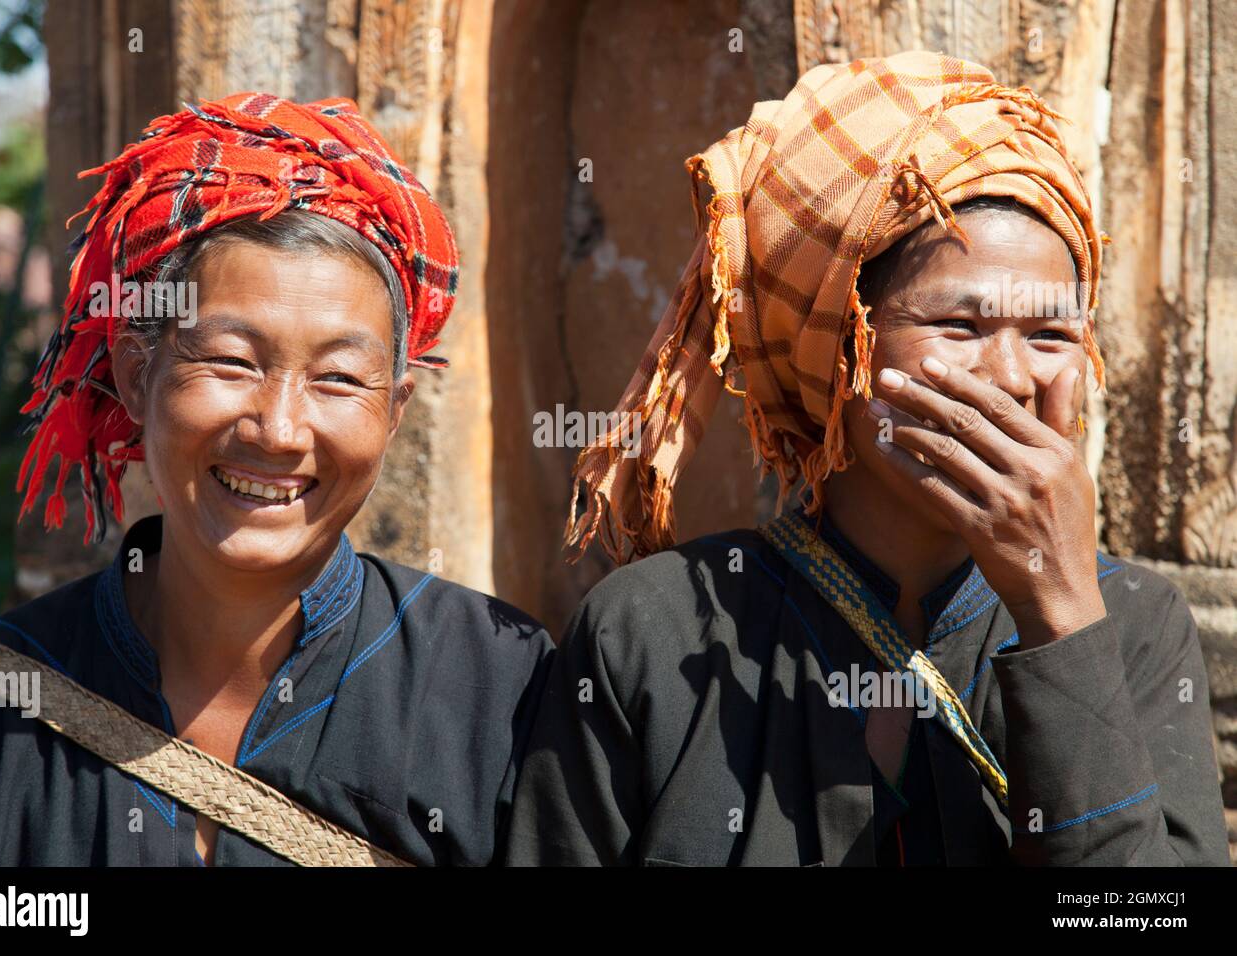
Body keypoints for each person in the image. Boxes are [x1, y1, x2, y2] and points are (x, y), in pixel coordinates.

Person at [505, 51, 1230, 866]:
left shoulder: (1129, 626)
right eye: (958, 327)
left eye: (1052, 335)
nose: (1014, 378)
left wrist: (1058, 613)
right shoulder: (657, 629)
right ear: (835, 348)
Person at [0, 92, 553, 866]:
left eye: (337, 379)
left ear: (394, 411)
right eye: (231, 362)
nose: (280, 430)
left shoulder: (501, 690)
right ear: (136, 373)